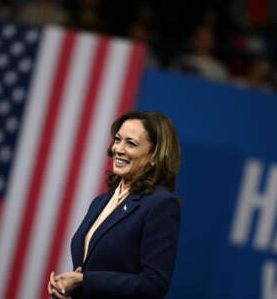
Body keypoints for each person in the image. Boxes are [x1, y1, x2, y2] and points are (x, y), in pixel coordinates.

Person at [47, 110, 182, 299]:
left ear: (154, 156)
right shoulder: (100, 202)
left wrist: (85, 280)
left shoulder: (161, 205)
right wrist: (67, 287)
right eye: (118, 140)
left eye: (131, 143)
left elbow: (154, 285)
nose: (118, 149)